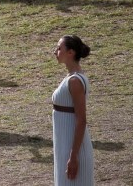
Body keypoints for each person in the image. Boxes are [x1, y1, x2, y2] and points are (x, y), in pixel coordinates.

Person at [52, 35, 95, 184]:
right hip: (65, 145)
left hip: (73, 149)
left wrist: (73, 156)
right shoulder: (70, 77)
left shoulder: (75, 81)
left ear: (71, 52)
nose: (55, 51)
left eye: (59, 48)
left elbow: (81, 120)